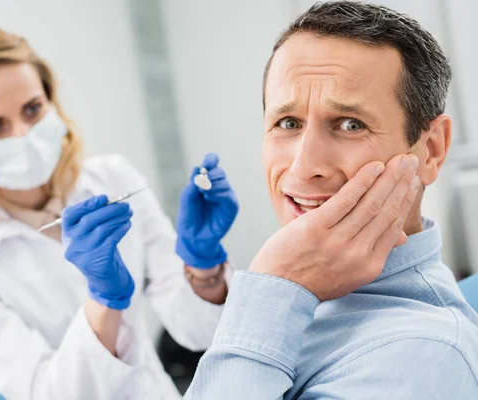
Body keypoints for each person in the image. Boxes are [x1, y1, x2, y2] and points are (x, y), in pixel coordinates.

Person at [0, 23, 238, 399]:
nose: (23, 135)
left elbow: (198, 332)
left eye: (33, 109)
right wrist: (104, 300)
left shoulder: (113, 179)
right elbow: (50, 393)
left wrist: (203, 265)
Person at [186, 2, 478, 399]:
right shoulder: (308, 294)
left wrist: (278, 284)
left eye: (350, 124)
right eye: (287, 123)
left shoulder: (419, 357)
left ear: (431, 150)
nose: (304, 168)